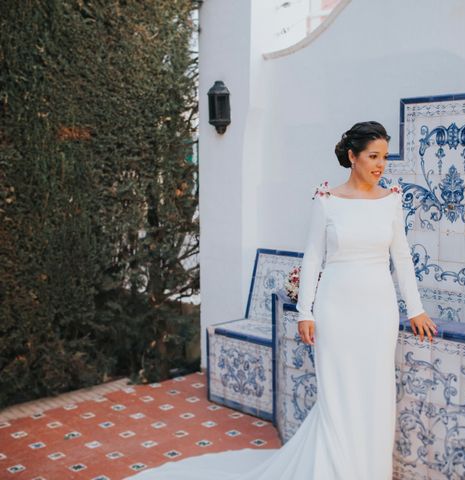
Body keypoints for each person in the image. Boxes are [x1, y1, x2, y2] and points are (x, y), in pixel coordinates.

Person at [127, 121, 438, 480]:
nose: (381, 164)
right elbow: (312, 257)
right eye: (373, 156)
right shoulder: (328, 201)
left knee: (377, 395)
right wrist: (305, 312)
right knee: (338, 398)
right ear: (353, 157)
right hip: (336, 308)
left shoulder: (392, 199)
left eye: (384, 157)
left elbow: (401, 257)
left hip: (379, 311)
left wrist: (414, 309)